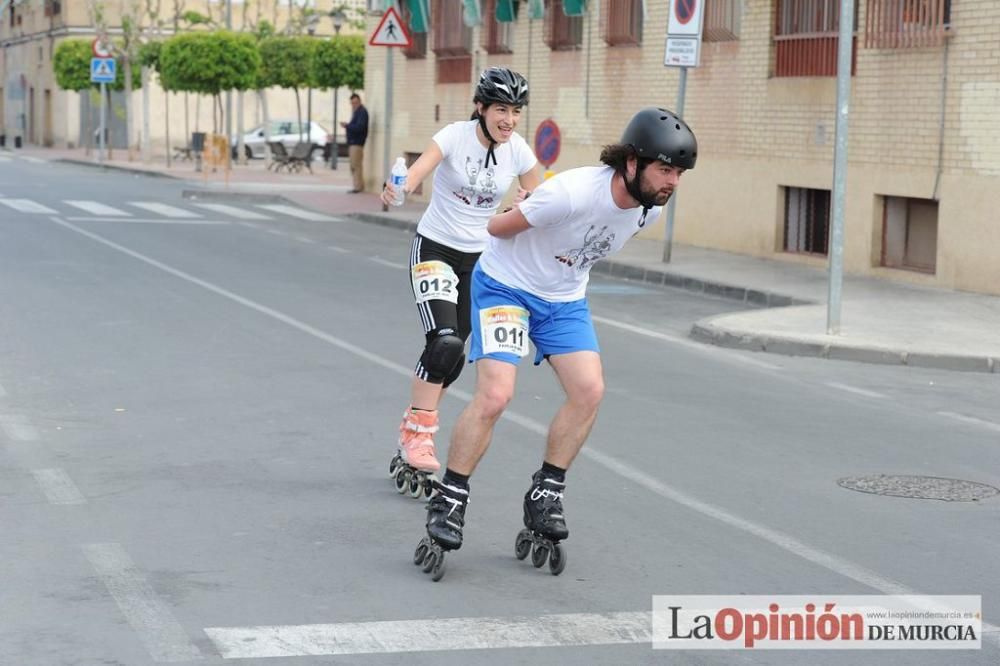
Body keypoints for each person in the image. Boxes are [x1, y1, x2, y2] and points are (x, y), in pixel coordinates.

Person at [413, 107, 698, 580]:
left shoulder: (649, 209)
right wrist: (524, 208)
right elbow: (495, 230)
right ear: (632, 162)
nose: (673, 182)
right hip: (506, 285)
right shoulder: (569, 194)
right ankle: (451, 498)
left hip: (563, 299)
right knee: (496, 395)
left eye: (679, 173)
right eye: (665, 169)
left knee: (589, 390)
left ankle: (546, 492)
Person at [381, 68, 541, 500]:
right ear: (481, 108)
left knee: (454, 355)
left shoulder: (517, 151)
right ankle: (418, 434)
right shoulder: (454, 136)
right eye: (501, 110)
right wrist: (398, 190)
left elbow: (542, 196)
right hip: (435, 248)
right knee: (444, 342)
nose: (509, 120)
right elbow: (417, 174)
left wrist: (527, 204)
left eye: (515, 112)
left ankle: (416, 422)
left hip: (483, 261)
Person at [342, 93, 369, 193]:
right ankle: (357, 185)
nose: (354, 105)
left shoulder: (362, 112)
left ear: (359, 101)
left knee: (356, 165)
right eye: (352, 103)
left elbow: (360, 128)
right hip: (353, 142)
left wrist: (347, 126)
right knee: (354, 165)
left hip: (357, 143)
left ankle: (358, 187)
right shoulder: (356, 112)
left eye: (355, 103)